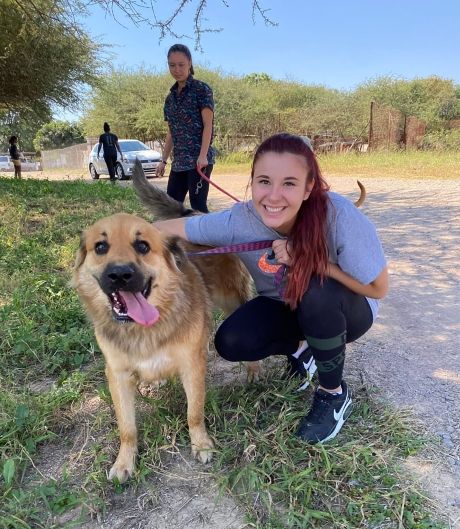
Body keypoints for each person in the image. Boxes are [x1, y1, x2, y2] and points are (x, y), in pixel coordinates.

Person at [155, 133, 388, 445]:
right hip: (284, 304)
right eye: (264, 181)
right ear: (252, 182)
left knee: (315, 291)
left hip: (346, 310)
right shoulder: (240, 220)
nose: (274, 195)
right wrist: (127, 237)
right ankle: (302, 351)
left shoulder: (338, 215)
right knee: (232, 341)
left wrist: (312, 262)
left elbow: (377, 288)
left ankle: (333, 395)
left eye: (289, 183)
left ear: (309, 187)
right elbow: (179, 226)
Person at [157, 43, 215, 213]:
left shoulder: (202, 90)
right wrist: (163, 160)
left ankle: (205, 240)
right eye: (172, 65)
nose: (177, 69)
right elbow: (171, 132)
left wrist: (203, 155)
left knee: (198, 206)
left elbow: (208, 125)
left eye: (181, 64)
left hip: (199, 160)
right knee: (170, 209)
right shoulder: (170, 99)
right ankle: (174, 240)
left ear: (189, 63)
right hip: (179, 162)